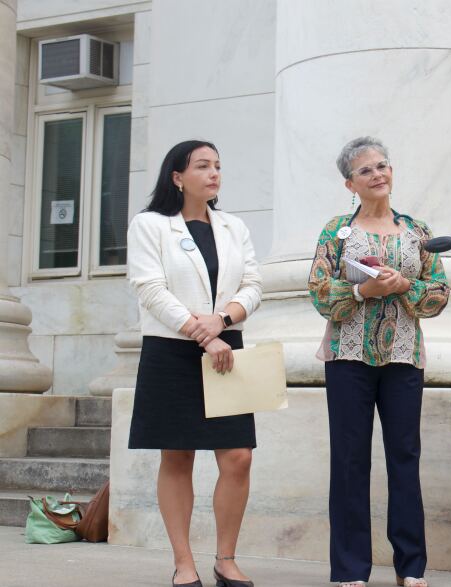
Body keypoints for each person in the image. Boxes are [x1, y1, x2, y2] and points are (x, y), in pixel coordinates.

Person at [308, 137, 450, 587]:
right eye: (366, 170)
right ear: (350, 182)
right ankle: (350, 569)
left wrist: (402, 286)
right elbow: (318, 291)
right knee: (350, 460)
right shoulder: (336, 230)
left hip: (404, 356)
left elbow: (439, 293)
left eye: (383, 165)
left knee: (405, 458)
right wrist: (360, 291)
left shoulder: (417, 230)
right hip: (348, 356)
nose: (378, 174)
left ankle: (411, 567)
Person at [127, 140, 263, 587]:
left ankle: (226, 559)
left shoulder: (233, 227)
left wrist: (221, 321)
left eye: (218, 166)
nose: (214, 173)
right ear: (177, 177)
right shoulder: (150, 225)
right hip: (172, 349)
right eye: (203, 166)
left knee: (238, 456)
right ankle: (184, 563)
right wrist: (203, 334)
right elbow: (150, 289)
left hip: (227, 344)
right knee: (177, 454)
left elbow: (253, 286)